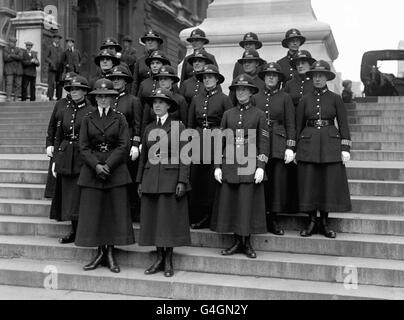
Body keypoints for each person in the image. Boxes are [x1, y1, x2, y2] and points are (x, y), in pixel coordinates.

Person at [75, 78, 135, 273]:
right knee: (95, 214)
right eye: (99, 96)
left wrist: (107, 165)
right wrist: (96, 166)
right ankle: (99, 252)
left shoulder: (120, 118)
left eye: (106, 96)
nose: (103, 99)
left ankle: (110, 253)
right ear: (95, 98)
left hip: (114, 170)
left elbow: (124, 145)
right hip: (92, 172)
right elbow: (83, 147)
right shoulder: (87, 118)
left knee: (112, 213)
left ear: (112, 98)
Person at [211, 74, 269, 259]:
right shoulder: (228, 114)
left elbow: (264, 142)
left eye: (244, 89)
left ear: (251, 92)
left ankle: (247, 242)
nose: (240, 92)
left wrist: (261, 165)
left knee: (247, 203)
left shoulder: (259, 114)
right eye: (237, 89)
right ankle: (236, 241)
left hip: (250, 162)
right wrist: (217, 165)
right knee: (233, 203)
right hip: (230, 162)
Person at [137, 88, 191, 277]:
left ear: (169, 105)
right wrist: (140, 181)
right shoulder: (149, 128)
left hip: (170, 178)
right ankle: (158, 257)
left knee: (168, 221)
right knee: (154, 221)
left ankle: (168, 259)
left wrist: (182, 181)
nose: (157, 106)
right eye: (155, 103)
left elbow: (185, 157)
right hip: (151, 178)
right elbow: (143, 157)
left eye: (161, 102)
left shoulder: (179, 127)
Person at [296, 60, 352, 239]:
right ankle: (311, 220)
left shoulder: (335, 98)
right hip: (309, 144)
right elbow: (298, 126)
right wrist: (295, 148)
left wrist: (345, 147)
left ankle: (325, 222)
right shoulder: (305, 99)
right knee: (309, 183)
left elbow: (343, 124)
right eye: (315, 76)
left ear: (327, 77)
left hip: (330, 144)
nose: (318, 79)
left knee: (328, 184)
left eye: (321, 76)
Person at [187, 65, 233, 229]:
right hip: (198, 138)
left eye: (210, 77)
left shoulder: (224, 98)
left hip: (216, 138)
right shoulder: (196, 99)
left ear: (217, 80)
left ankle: (209, 215)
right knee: (196, 177)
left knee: (210, 180)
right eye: (204, 77)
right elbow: (191, 124)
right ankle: (196, 213)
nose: (207, 80)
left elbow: (229, 123)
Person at [50, 76, 94, 244]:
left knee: (80, 195)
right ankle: (73, 230)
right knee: (69, 196)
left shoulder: (91, 110)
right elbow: (58, 135)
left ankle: (82, 231)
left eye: (77, 89)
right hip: (65, 155)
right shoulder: (64, 109)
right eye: (71, 90)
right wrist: (55, 159)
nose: (73, 92)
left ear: (84, 92)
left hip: (82, 157)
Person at [254, 62, 296, 235]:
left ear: (279, 78)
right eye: (268, 75)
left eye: (274, 75)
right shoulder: (255, 97)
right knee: (260, 179)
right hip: (259, 142)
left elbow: (291, 124)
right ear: (264, 78)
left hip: (278, 141)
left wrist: (290, 146)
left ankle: (274, 218)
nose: (271, 77)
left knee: (277, 181)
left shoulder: (285, 97)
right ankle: (260, 215)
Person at [106, 65, 143, 221]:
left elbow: (137, 125)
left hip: (127, 147)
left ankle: (131, 211)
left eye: (119, 79)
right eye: (113, 79)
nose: (116, 81)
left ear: (126, 81)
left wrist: (135, 145)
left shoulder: (133, 100)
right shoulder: (107, 99)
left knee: (128, 179)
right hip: (110, 146)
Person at [44, 72, 78, 199]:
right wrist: (49, 144)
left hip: (71, 143)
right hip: (59, 143)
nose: (69, 88)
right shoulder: (60, 103)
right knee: (54, 175)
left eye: (72, 84)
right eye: (67, 85)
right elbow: (52, 125)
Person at [141, 65, 187, 134]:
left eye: (165, 78)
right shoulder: (152, 97)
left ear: (172, 80)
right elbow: (145, 122)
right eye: (160, 79)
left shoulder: (180, 99)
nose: (162, 81)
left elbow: (185, 122)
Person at [132, 30, 163, 95]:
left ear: (158, 43)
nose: (150, 42)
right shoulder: (140, 61)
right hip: (143, 95)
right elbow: (135, 83)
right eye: (148, 40)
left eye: (153, 40)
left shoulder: (163, 59)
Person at [3, 36, 23, 102]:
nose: (12, 43)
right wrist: (15, 56)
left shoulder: (19, 49)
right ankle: (8, 97)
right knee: (9, 83)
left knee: (18, 84)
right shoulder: (6, 49)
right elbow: (6, 58)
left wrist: (11, 55)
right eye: (11, 42)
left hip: (18, 70)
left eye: (14, 42)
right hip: (9, 69)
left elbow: (20, 57)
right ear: (9, 42)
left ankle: (16, 98)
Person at [45, 33, 64, 101]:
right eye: (56, 38)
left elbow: (62, 58)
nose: (57, 40)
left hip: (59, 69)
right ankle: (50, 97)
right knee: (51, 83)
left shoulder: (61, 49)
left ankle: (59, 97)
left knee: (59, 83)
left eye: (58, 39)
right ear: (53, 39)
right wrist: (51, 62)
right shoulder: (50, 47)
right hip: (52, 68)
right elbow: (46, 58)